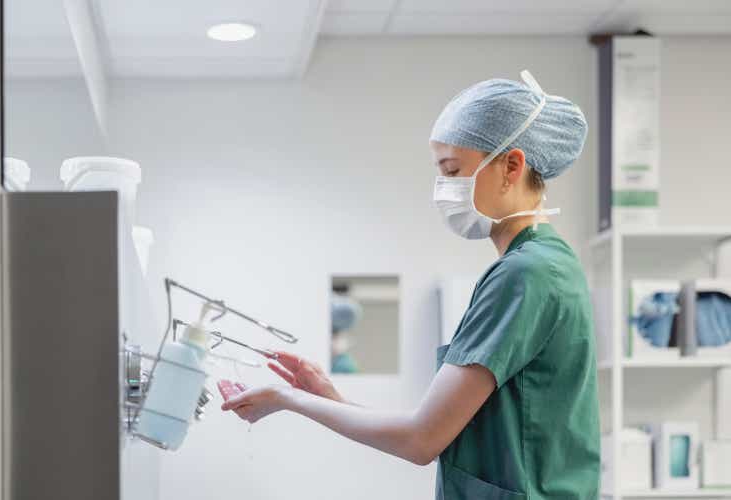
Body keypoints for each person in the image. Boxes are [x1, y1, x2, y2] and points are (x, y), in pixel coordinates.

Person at [221, 70, 600, 499]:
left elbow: (421, 441)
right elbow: (433, 428)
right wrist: (329, 397)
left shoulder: (525, 274)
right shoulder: (544, 264)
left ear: (511, 165)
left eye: (454, 170)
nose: (444, 188)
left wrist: (286, 399)